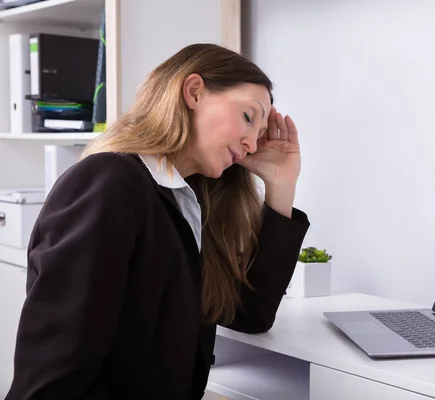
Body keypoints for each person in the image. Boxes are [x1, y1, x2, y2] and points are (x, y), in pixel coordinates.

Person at [6, 43, 310, 400]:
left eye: (259, 136)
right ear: (194, 91)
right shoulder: (108, 182)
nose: (250, 143)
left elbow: (250, 315)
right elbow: (53, 377)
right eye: (248, 117)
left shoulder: (189, 203)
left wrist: (280, 184)